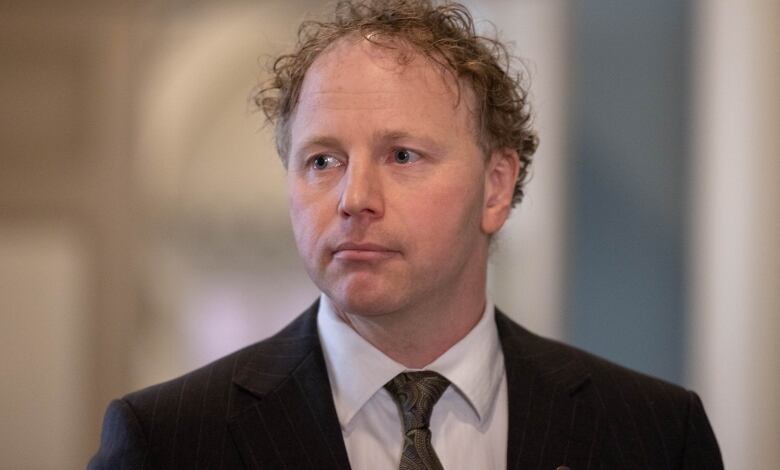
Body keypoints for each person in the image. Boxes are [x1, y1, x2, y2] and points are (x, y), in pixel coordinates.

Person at [89, 1, 723, 469]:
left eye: (401, 156)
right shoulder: (165, 442)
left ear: (496, 187)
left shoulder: (654, 435)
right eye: (322, 161)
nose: (354, 199)